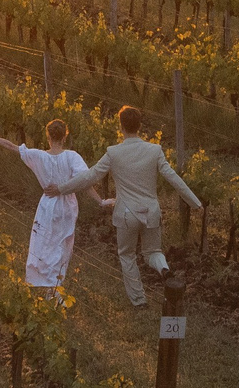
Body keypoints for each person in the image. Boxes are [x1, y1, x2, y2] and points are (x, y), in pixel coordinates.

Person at [44, 105, 201, 307]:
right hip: (151, 212)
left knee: (127, 255)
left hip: (127, 215)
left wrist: (61, 188)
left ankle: (139, 300)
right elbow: (173, 178)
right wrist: (194, 202)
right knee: (153, 252)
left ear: (121, 127)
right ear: (140, 125)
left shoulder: (113, 153)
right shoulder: (155, 150)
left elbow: (89, 176)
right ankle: (163, 269)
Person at [0, 115, 107, 289]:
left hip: (48, 204)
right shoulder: (72, 157)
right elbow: (85, 181)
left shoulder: (38, 156)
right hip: (67, 206)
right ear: (65, 137)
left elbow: (9, 145)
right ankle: (56, 282)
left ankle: (42, 280)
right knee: (62, 244)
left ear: (48, 137)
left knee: (44, 242)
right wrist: (100, 201)